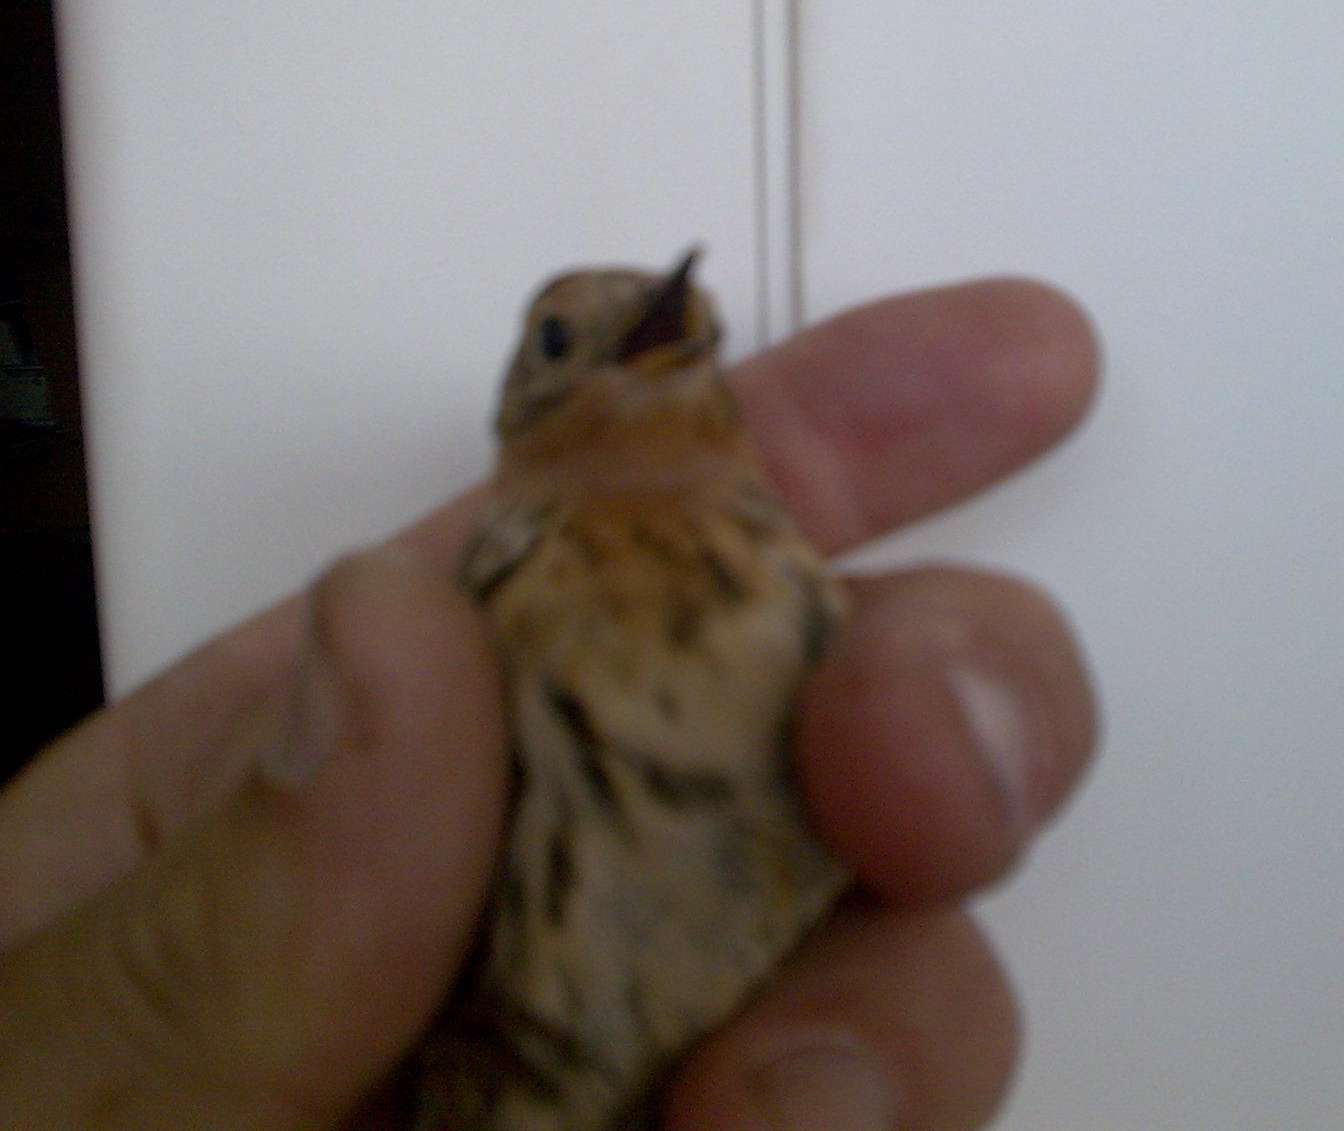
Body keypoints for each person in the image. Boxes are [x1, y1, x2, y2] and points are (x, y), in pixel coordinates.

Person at [0, 279, 1099, 1130]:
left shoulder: (790, 591)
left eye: (686, 337)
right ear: (517, 404)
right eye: (563, 341)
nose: (631, 349)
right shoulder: (479, 606)